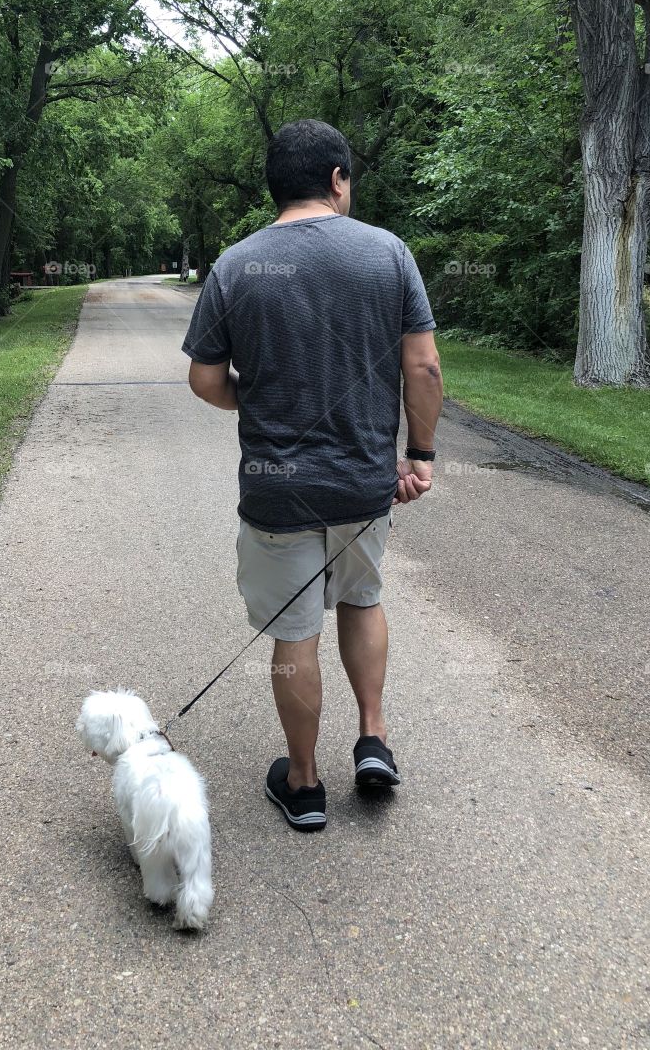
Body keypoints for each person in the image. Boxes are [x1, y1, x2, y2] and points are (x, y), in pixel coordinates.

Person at [182, 119, 442, 831]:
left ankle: (302, 785)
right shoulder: (388, 255)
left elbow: (205, 380)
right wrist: (419, 455)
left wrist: (253, 397)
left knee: (294, 632)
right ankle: (373, 739)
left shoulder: (235, 266)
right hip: (363, 485)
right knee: (361, 600)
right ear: (336, 178)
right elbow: (422, 367)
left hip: (276, 489)